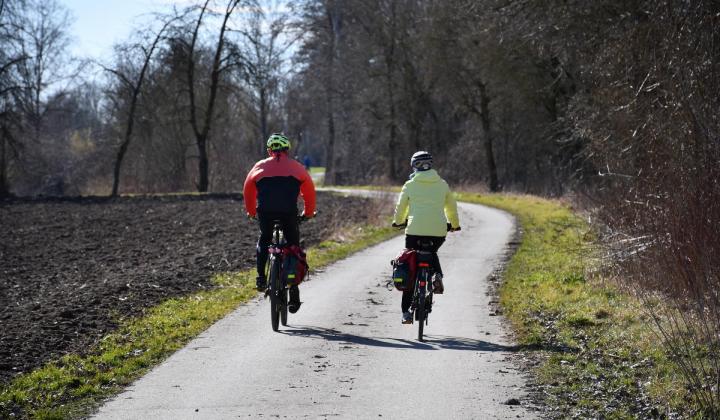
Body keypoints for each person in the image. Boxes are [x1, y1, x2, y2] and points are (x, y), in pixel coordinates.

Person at [243, 133, 316, 314]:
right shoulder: (298, 167)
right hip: (288, 213)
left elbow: (248, 191)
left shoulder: (259, 166)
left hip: (265, 213)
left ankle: (261, 277)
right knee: (293, 245)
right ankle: (294, 292)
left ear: (269, 150)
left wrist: (252, 212)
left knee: (265, 238)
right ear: (287, 150)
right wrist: (307, 213)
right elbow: (309, 192)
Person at [392, 151, 461, 324]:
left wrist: (398, 222)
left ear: (414, 166)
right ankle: (437, 275)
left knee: (411, 266)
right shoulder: (442, 184)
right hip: (437, 230)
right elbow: (451, 207)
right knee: (431, 253)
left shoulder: (409, 184)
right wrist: (454, 224)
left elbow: (401, 207)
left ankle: (406, 313)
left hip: (414, 230)